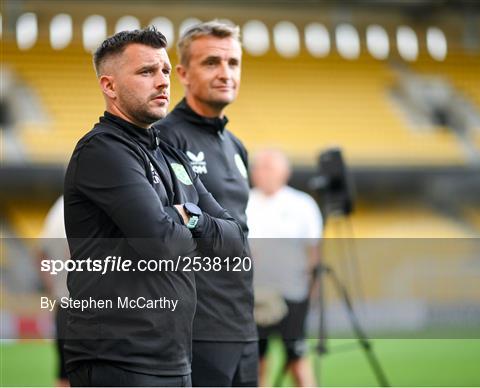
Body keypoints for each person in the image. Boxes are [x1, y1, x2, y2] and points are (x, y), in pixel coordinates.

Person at [63, 27, 245, 387]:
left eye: (164, 70)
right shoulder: (104, 151)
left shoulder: (170, 153)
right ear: (110, 86)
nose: (162, 81)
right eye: (146, 72)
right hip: (118, 358)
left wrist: (188, 216)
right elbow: (160, 243)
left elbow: (235, 239)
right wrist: (197, 226)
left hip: (174, 356)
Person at [154, 21, 257, 387]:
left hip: (243, 324)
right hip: (195, 328)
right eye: (212, 62)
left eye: (233, 63)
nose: (225, 73)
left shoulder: (237, 146)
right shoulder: (164, 138)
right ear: (182, 73)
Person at [247, 148, 323, 387]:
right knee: (255, 363)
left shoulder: (302, 204)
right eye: (261, 167)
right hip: (254, 296)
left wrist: (313, 291)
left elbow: (314, 251)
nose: (265, 173)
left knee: (297, 361)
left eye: (271, 167)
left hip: (293, 295)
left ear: (285, 172)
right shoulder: (244, 201)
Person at [36, 195, 69, 387]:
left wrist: (54, 288)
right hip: (87, 307)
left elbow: (40, 253)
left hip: (64, 303)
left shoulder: (59, 205)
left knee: (64, 375)